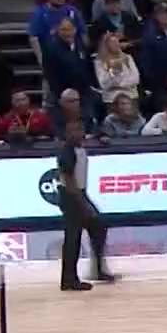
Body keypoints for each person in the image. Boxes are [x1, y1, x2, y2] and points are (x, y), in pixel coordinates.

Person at [50, 119, 112, 292]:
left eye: (79, 129)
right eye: (73, 130)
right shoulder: (67, 151)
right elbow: (68, 179)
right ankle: (69, 279)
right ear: (66, 133)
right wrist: (82, 201)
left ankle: (97, 269)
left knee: (98, 227)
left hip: (80, 193)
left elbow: (98, 133)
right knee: (73, 237)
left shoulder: (80, 147)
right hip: (71, 195)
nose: (77, 133)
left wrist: (101, 136)